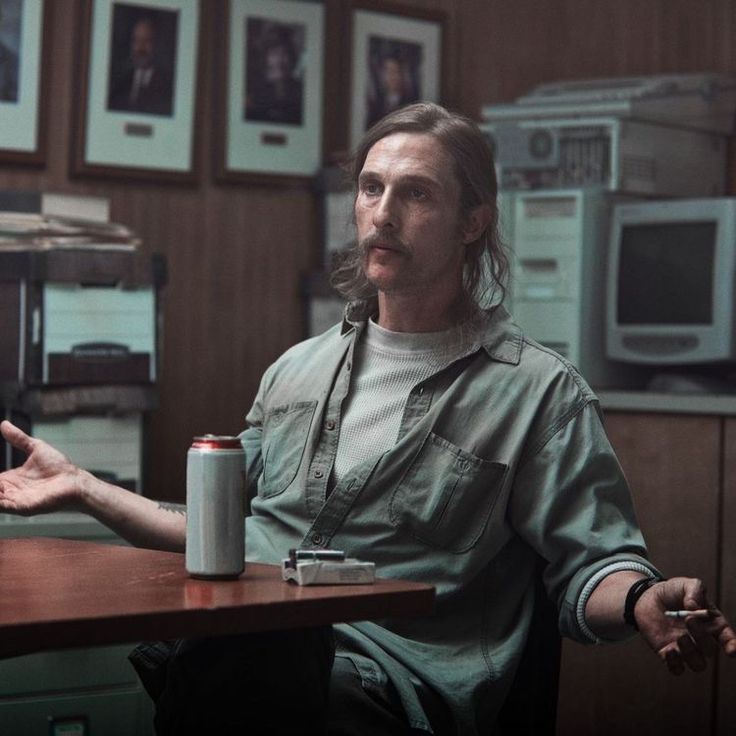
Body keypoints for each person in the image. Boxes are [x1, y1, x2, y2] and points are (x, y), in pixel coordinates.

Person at [1, 103, 735, 735]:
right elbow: (225, 535)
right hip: (254, 652)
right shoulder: (295, 370)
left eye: (415, 194)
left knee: (244, 654)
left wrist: (642, 599)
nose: (383, 213)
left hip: (390, 679)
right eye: (371, 188)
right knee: (237, 644)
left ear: (473, 221)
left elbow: (593, 561)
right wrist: (82, 487)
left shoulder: (540, 393)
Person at [107, 14, 174, 116]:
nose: (140, 47)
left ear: (157, 44)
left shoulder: (169, 86)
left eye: (147, 40)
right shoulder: (121, 83)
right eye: (136, 40)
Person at [244, 23, 304, 125]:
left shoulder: (302, 90)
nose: (280, 61)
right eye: (274, 54)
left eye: (285, 53)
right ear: (266, 57)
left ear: (292, 57)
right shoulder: (253, 91)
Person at [366, 53, 415, 130]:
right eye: (388, 71)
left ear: (402, 74)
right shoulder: (376, 103)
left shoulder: (412, 104)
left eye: (395, 71)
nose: (391, 77)